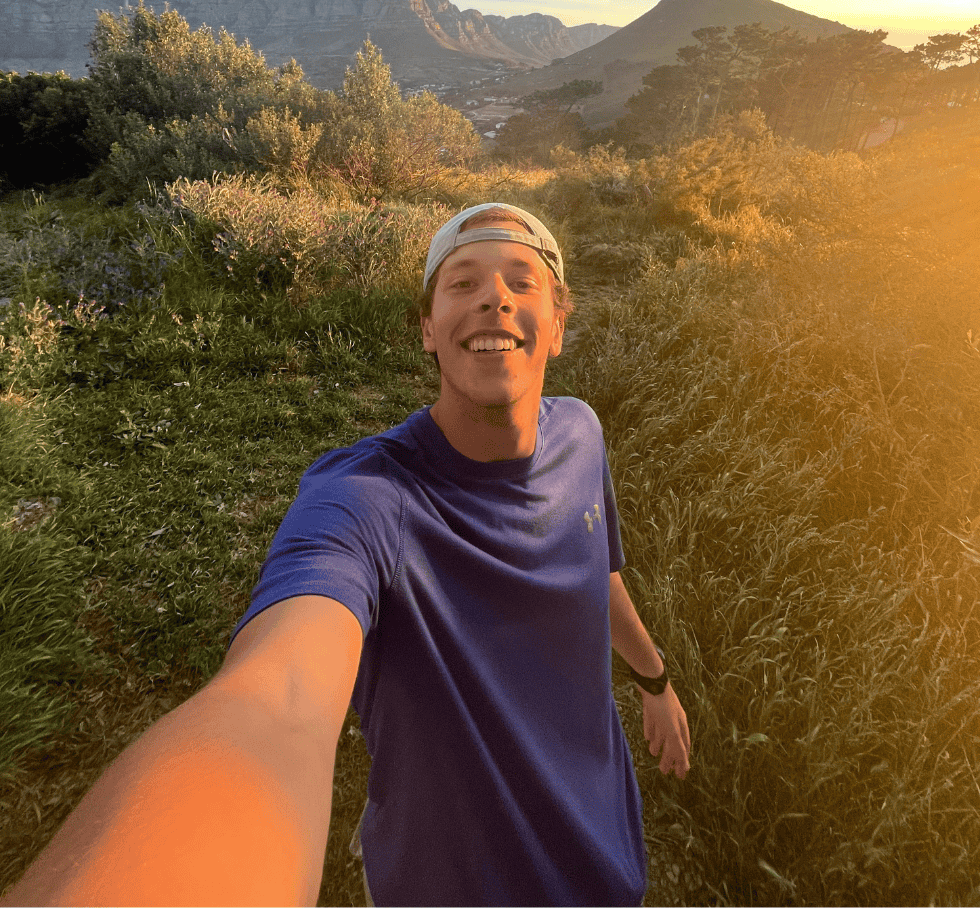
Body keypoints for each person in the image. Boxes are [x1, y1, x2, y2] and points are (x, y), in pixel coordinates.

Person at [4, 202, 690, 906]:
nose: (494, 296)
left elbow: (592, 570)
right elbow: (280, 699)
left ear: (558, 327)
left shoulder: (582, 433)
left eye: (522, 280)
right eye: (463, 284)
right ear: (429, 329)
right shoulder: (366, 498)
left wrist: (654, 680)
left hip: (606, 856)